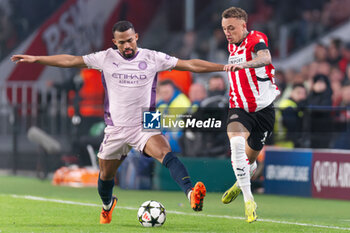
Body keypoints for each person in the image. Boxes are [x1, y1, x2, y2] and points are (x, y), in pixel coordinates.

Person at [11, 20, 226, 224]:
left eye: (130, 40)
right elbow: (71, 60)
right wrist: (37, 59)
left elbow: (189, 64)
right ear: (115, 43)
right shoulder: (106, 58)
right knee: (106, 176)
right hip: (116, 127)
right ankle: (107, 204)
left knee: (166, 154)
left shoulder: (152, 57)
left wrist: (223, 68)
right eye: (121, 42)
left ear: (136, 37)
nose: (126, 45)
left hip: (146, 119)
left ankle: (190, 194)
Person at [219, 7, 280, 223]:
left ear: (244, 25)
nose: (227, 32)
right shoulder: (231, 44)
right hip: (239, 107)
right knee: (236, 145)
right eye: (225, 28)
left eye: (232, 28)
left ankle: (239, 183)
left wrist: (245, 65)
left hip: (264, 110)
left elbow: (265, 57)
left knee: (250, 162)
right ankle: (249, 200)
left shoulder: (256, 38)